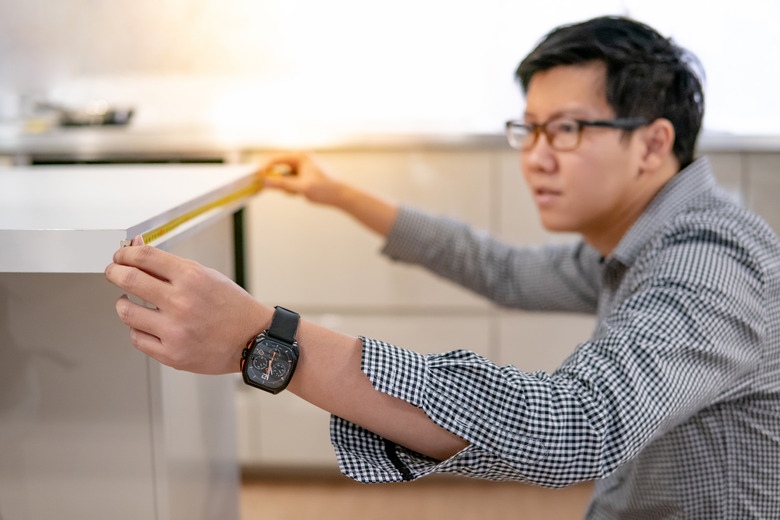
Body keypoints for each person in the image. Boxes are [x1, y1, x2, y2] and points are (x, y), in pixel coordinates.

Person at [105, 16, 780, 519]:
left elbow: (576, 427)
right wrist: (336, 192)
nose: (536, 156)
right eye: (529, 128)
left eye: (567, 129)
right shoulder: (643, 243)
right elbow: (497, 268)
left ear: (653, 144)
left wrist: (268, 338)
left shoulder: (710, 263)